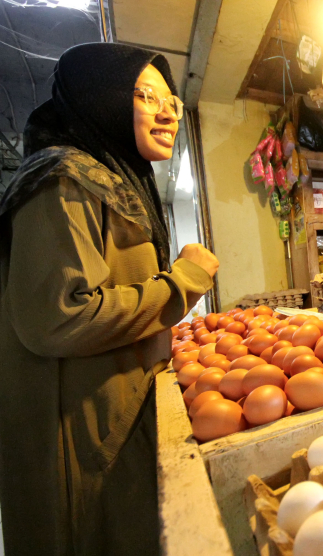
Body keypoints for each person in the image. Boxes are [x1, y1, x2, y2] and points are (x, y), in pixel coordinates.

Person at [0, 43, 218, 555]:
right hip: (77, 444)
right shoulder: (62, 180)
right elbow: (58, 318)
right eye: (146, 96)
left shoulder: (113, 180)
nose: (168, 112)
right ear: (102, 100)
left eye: (173, 103)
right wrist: (182, 282)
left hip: (109, 425)